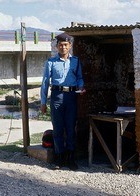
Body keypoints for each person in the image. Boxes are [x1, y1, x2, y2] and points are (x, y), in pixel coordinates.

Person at [40, 33, 86, 171]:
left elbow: (79, 77)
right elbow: (45, 83)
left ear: (70, 46)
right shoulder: (51, 62)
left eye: (66, 45)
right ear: (56, 46)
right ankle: (59, 158)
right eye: (60, 45)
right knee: (58, 129)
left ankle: (71, 159)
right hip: (57, 97)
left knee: (71, 128)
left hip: (71, 96)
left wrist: (81, 86)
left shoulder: (76, 61)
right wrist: (43, 102)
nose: (63, 47)